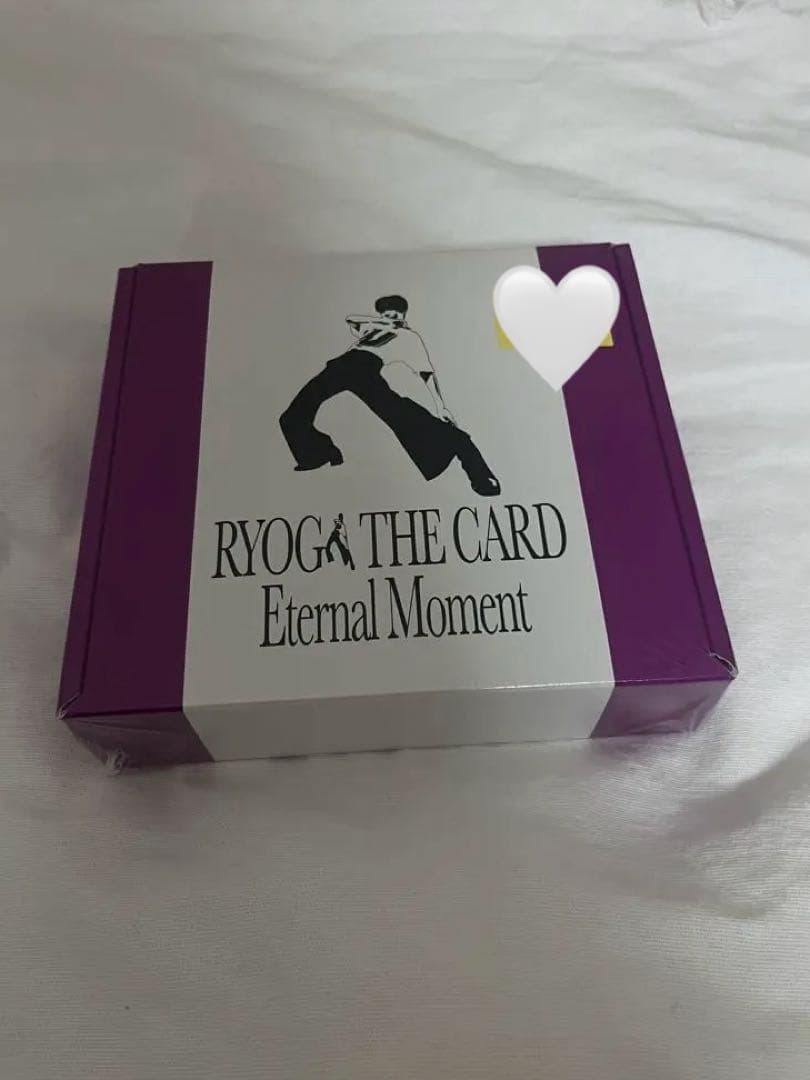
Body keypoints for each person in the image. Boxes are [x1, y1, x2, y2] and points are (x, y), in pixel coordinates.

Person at [279, 295, 500, 497]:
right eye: (386, 314)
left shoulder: (408, 336)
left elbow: (427, 373)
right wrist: (383, 322)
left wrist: (441, 406)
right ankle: (318, 454)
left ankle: (478, 473)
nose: (391, 318)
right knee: (291, 415)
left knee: (402, 415)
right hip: (338, 367)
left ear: (404, 316)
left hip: (365, 370)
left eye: (396, 315)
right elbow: (351, 319)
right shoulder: (370, 330)